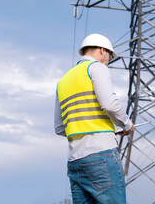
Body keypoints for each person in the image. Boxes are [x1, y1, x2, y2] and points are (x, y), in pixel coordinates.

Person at [54, 33, 135, 204]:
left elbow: (60, 127)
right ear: (101, 50)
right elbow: (110, 105)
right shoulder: (97, 68)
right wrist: (126, 124)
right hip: (101, 155)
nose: (108, 61)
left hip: (75, 162)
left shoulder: (63, 81)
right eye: (109, 57)